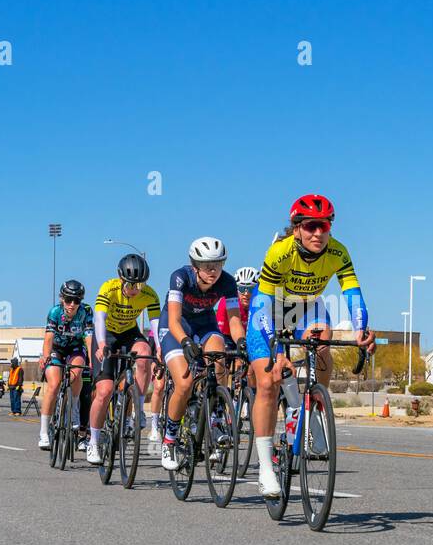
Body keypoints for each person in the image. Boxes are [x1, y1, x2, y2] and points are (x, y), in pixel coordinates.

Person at [247, 194, 374, 497]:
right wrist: (278, 352)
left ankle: (314, 409)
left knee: (323, 343)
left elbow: (352, 292)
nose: (319, 233)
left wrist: (361, 330)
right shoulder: (280, 252)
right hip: (270, 310)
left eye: (325, 226)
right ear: (297, 229)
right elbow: (265, 305)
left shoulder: (338, 252)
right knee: (268, 382)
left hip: (306, 308)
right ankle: (265, 468)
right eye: (312, 226)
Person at [158, 237, 245, 471]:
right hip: (176, 326)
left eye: (218, 264)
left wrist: (242, 343)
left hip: (205, 324)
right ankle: (169, 439)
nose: (213, 271)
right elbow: (175, 320)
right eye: (208, 266)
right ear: (195, 266)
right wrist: (185, 342)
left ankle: (216, 416)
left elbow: (235, 321)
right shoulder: (180, 277)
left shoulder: (227, 282)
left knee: (219, 357)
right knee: (184, 384)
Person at [83, 254, 161, 464]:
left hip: (129, 332)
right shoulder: (108, 289)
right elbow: (99, 318)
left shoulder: (150, 294)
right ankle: (93, 441)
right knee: (105, 390)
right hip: (106, 334)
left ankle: (137, 407)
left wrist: (160, 349)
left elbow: (155, 324)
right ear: (120, 279)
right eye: (130, 284)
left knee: (145, 353)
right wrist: (101, 345)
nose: (135, 289)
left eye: (139, 284)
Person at [38, 279, 92, 450]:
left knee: (77, 372)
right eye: (69, 300)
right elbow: (48, 338)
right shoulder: (55, 312)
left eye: (77, 300)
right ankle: (44, 432)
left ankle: (74, 408)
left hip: (75, 348)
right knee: (54, 385)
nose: (72, 304)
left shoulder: (84, 313)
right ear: (62, 299)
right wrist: (46, 356)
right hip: (57, 349)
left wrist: (92, 361)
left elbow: (89, 338)